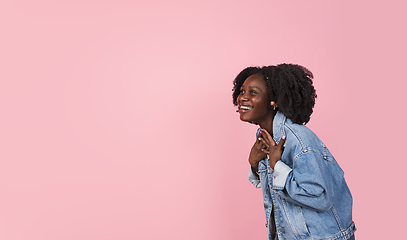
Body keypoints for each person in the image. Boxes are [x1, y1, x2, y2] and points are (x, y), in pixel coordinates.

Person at [232, 64, 356, 240]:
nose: (242, 98)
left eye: (253, 93)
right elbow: (276, 192)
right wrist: (254, 164)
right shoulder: (267, 136)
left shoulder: (299, 139)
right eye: (242, 91)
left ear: (273, 100)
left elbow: (320, 198)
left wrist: (276, 165)